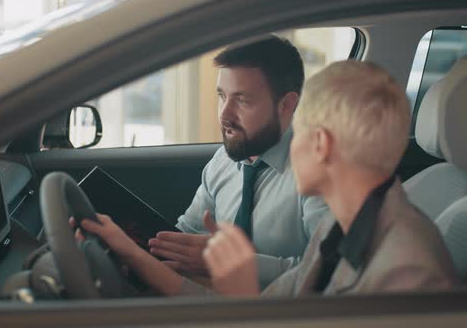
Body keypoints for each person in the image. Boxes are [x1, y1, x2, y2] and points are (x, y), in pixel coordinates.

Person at [72, 60, 457, 297]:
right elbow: (264, 310)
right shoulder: (341, 231)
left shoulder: (407, 271)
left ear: (319, 144)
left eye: (299, 130)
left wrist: (240, 280)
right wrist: (131, 253)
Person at [148, 36, 328, 287]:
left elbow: (329, 270)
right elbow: (186, 235)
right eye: (222, 96)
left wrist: (234, 264)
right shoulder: (222, 162)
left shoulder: (320, 171)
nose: (224, 114)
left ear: (287, 104)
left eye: (243, 101)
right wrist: (130, 250)